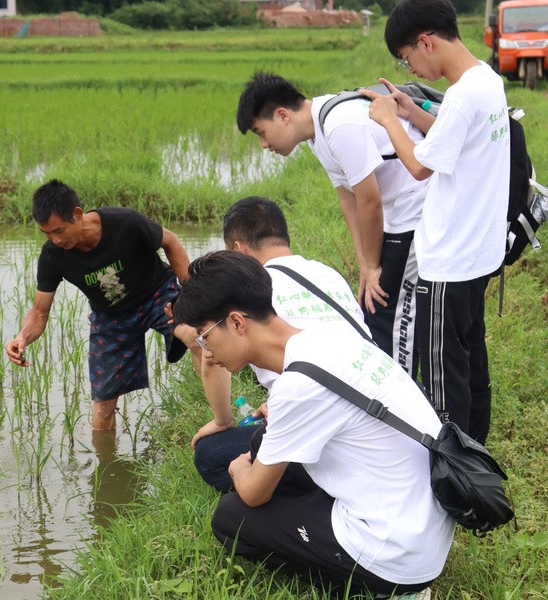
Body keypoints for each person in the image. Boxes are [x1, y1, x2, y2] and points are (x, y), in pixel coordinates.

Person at [172, 251, 454, 598]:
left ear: (236, 322)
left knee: (232, 518)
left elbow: (254, 493)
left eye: (205, 336)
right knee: (262, 446)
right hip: (427, 523)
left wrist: (238, 468)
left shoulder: (299, 384)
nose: (207, 352)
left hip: (397, 555)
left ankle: (384, 591)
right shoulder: (328, 340)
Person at [362, 0, 510, 445]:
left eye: (408, 58)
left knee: (445, 378)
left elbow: (421, 167)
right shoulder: (486, 80)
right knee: (470, 361)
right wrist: (411, 112)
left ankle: (456, 481)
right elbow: (453, 141)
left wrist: (389, 120)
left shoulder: (463, 95)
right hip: (479, 252)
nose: (412, 67)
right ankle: (476, 458)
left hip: (449, 260)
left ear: (425, 41)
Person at [236, 71, 429, 378]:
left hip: (417, 213)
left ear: (282, 115)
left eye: (262, 132)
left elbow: (369, 200)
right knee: (376, 309)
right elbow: (348, 199)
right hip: (400, 217)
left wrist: (374, 266)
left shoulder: (339, 125)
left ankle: (397, 397)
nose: (264, 144)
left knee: (390, 317)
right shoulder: (318, 131)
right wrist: (365, 264)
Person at [5, 179, 228, 431]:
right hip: (111, 316)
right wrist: (22, 337)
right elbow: (39, 312)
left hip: (156, 293)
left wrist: (190, 293)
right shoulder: (52, 256)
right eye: (47, 234)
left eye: (59, 231)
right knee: (102, 407)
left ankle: (220, 419)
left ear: (77, 215)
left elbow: (171, 241)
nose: (55, 240)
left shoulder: (124, 222)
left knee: (197, 337)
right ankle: (106, 466)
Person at [192, 196, 368, 492]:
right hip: (368, 405)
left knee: (210, 454)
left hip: (331, 432)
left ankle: (308, 494)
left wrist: (222, 421)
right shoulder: (328, 275)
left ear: (238, 250)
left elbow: (210, 357)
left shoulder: (247, 290)